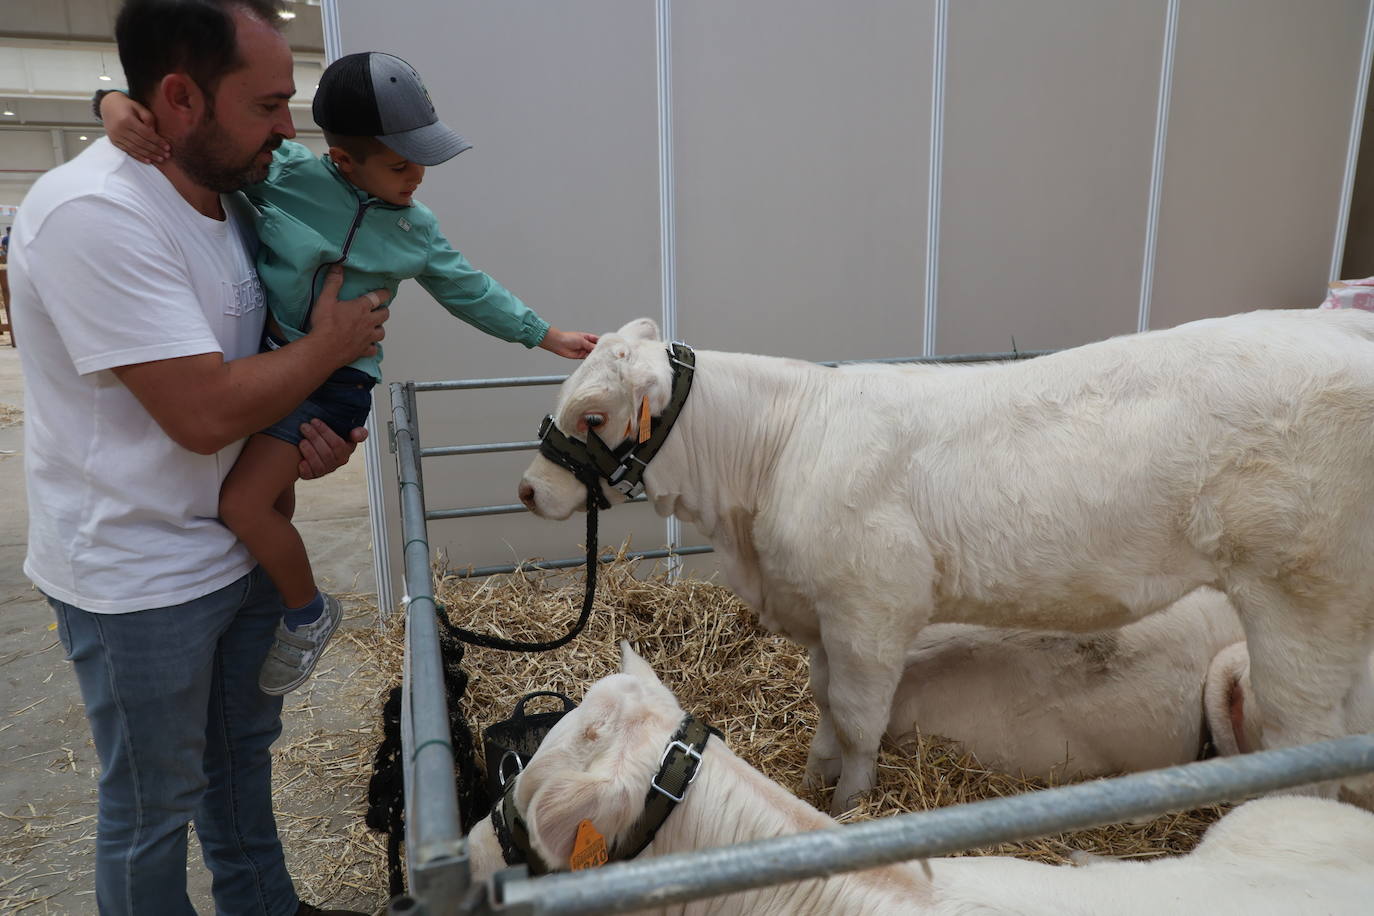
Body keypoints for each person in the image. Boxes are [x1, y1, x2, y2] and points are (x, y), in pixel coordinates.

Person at [9, 1, 384, 913]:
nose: (286, 129)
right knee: (153, 806)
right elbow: (204, 413)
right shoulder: (95, 213)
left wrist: (298, 439)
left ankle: (265, 906)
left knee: (239, 759)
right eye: (267, 105)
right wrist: (329, 350)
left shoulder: (231, 189)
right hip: (138, 575)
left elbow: (255, 369)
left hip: (234, 540)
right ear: (179, 99)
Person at [100, 51, 598, 696]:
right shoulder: (288, 176)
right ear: (342, 160)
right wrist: (111, 103)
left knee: (241, 503)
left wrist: (545, 334)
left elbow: (470, 289)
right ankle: (277, 601)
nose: (415, 176)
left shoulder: (416, 229)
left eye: (421, 162)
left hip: (337, 385)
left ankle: (307, 612)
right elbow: (198, 143)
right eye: (398, 164)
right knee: (268, 503)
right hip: (271, 357)